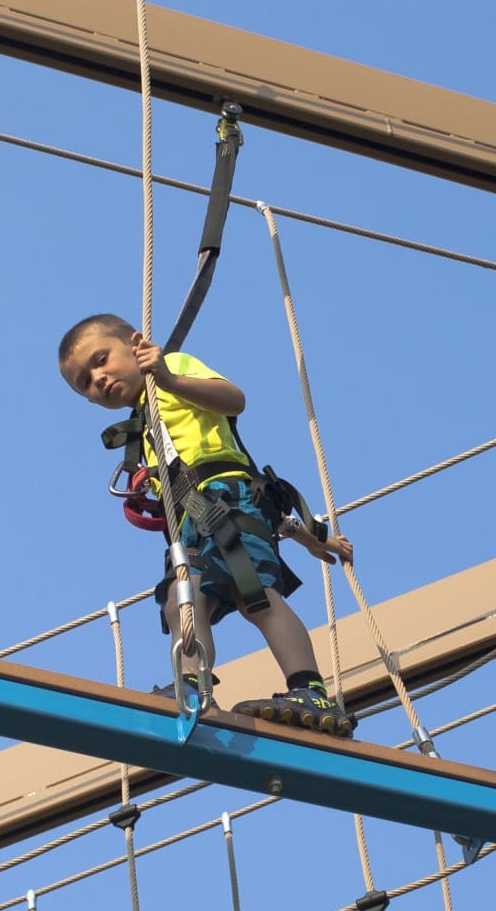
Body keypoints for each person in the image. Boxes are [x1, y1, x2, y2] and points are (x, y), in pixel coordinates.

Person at [58, 313, 357, 735]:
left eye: (101, 359)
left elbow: (233, 400)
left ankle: (309, 688)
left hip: (225, 497)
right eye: (86, 382)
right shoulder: (145, 423)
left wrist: (166, 377)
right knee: (181, 599)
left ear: (136, 344)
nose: (98, 378)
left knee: (253, 592)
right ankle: (192, 685)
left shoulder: (173, 368)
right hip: (191, 520)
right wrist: (310, 539)